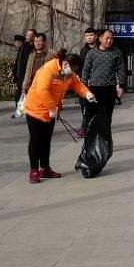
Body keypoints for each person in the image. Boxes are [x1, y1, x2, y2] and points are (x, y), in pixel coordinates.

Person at [22, 50, 97, 183]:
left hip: (51, 111)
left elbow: (77, 84)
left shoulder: (69, 73)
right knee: (36, 140)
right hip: (35, 109)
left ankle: (45, 168)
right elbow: (42, 90)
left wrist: (86, 93)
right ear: (66, 64)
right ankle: (34, 170)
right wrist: (52, 107)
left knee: (46, 141)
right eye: (74, 69)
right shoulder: (49, 69)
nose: (74, 73)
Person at [81, 28, 127, 135]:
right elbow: (86, 70)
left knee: (107, 116)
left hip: (109, 89)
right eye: (107, 38)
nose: (109, 41)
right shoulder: (92, 53)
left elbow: (121, 70)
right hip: (94, 89)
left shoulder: (116, 52)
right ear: (100, 38)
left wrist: (121, 86)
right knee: (91, 115)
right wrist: (84, 87)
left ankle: (106, 140)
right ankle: (89, 137)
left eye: (111, 38)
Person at [11, 32, 32, 118]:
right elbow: (17, 64)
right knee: (19, 94)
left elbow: (25, 64)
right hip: (19, 76)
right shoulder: (20, 50)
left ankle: (20, 112)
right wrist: (13, 73)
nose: (15, 44)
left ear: (20, 42)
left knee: (19, 94)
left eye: (16, 42)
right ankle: (20, 111)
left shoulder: (25, 50)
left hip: (23, 76)